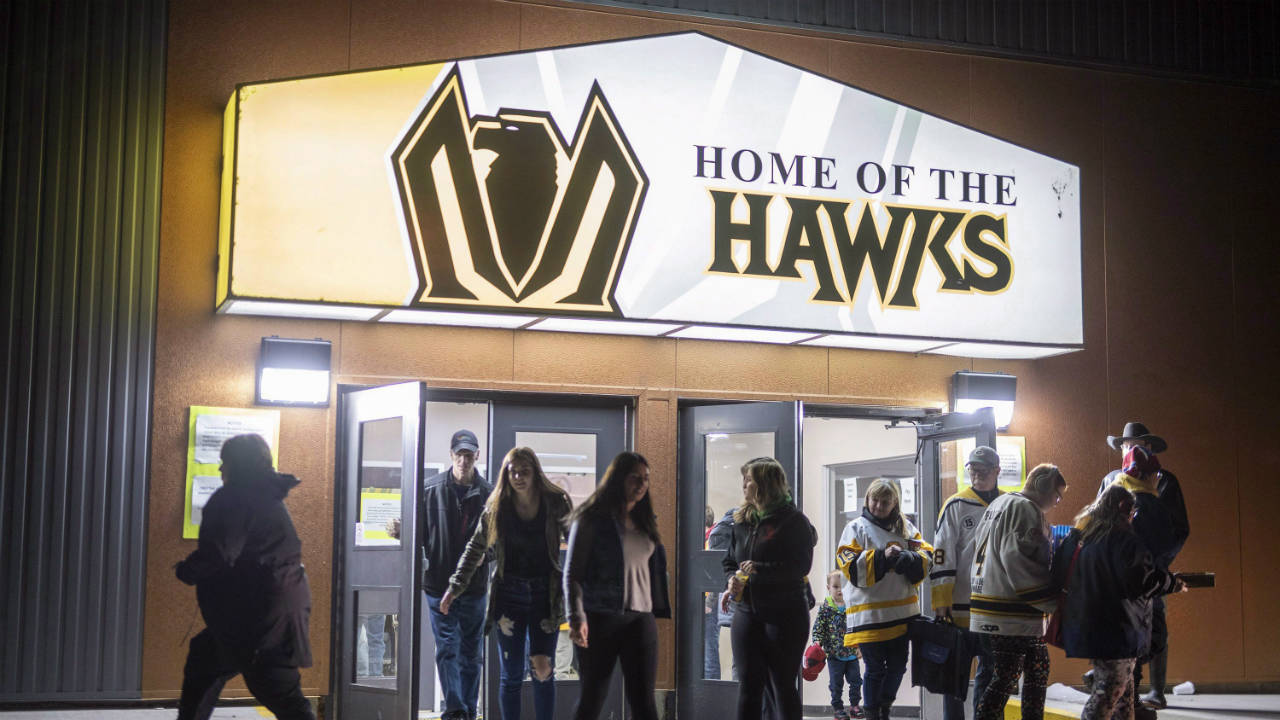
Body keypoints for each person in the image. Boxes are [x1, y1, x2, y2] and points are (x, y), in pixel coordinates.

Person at [174, 434, 315, 720]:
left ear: (238, 464)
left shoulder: (237, 497)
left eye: (224, 462)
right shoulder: (264, 496)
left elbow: (220, 552)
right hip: (263, 611)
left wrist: (187, 570)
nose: (220, 469)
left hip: (260, 618)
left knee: (277, 689)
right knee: (205, 658)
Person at [440, 447, 572, 720]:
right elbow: (475, 549)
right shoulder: (497, 506)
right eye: (513, 472)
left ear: (535, 473)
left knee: (543, 668)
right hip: (509, 595)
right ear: (506, 475)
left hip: (544, 595)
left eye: (525, 472)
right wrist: (454, 588)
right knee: (511, 674)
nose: (519, 477)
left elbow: (578, 541)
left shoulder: (555, 501)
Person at [1054, 485, 1185, 720]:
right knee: (1109, 690)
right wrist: (1170, 582)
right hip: (1117, 628)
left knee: (1123, 695)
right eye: (1132, 512)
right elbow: (1141, 582)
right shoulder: (1124, 541)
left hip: (1085, 624)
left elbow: (1059, 576)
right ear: (1124, 510)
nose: (1133, 518)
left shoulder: (1079, 538)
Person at [389, 429, 492, 720]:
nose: (463, 459)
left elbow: (499, 542)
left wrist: (488, 555)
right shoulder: (429, 490)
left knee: (471, 655)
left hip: (474, 587)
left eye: (469, 454)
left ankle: (468, 711)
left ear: (477, 456)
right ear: (451, 455)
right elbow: (416, 535)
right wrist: (400, 531)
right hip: (437, 585)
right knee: (447, 649)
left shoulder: (489, 495)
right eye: (459, 454)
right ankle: (457, 710)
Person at [564, 451, 670, 720]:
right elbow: (572, 574)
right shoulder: (590, 518)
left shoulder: (646, 522)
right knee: (592, 699)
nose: (641, 484)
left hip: (640, 618)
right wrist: (576, 616)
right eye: (635, 478)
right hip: (600, 616)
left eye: (646, 479)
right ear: (618, 479)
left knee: (644, 702)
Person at [1095, 422, 1189, 713]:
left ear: (1150, 447)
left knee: (1155, 628)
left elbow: (1177, 529)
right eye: (1126, 443)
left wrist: (1158, 564)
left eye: (1138, 443)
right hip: (1116, 574)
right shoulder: (1110, 479)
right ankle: (1120, 690)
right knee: (1120, 630)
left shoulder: (1165, 480)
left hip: (1150, 568)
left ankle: (1157, 691)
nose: (1131, 448)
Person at [720, 457, 817, 720]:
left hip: (785, 613)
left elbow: (800, 566)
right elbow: (730, 561)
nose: (744, 485)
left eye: (749, 480)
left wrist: (759, 570)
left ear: (765, 484)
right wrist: (731, 578)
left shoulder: (793, 520)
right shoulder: (740, 521)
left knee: (782, 685)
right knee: (748, 685)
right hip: (746, 611)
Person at [969, 463, 1067, 720]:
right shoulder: (1026, 510)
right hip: (1011, 610)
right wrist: (1051, 601)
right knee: (1006, 677)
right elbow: (1019, 560)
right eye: (1057, 496)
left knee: (1036, 668)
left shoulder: (999, 504)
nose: (1056, 502)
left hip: (995, 604)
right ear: (1044, 488)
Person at [836, 479, 933, 720]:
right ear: (868, 499)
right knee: (875, 669)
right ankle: (873, 714)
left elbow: (927, 555)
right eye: (874, 500)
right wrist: (882, 557)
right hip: (869, 615)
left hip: (902, 616)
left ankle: (884, 708)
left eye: (885, 501)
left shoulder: (906, 528)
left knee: (899, 667)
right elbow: (848, 565)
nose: (879, 505)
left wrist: (910, 559)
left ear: (894, 503)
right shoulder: (855, 528)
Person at [931, 445, 1002, 720]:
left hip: (995, 609)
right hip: (958, 609)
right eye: (972, 470)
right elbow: (942, 555)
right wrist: (940, 601)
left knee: (991, 674)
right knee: (954, 679)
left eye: (983, 470)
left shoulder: (1009, 503)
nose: (977, 475)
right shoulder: (955, 505)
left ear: (997, 471)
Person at [812, 571, 864, 720]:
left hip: (852, 653)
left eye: (843, 587)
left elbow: (859, 627)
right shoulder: (826, 608)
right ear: (829, 587)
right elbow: (818, 628)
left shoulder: (852, 607)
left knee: (856, 681)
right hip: (834, 654)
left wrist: (861, 646)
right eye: (835, 587)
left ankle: (855, 706)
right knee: (836, 684)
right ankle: (838, 709)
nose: (840, 590)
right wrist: (816, 642)